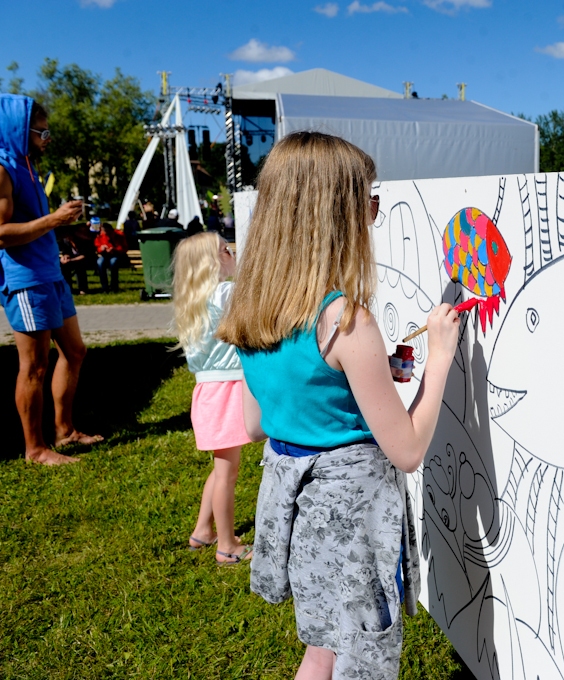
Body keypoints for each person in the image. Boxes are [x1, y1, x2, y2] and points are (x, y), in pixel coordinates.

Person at [217, 132, 461, 679]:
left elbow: (257, 424)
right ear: (338, 211)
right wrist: (441, 355)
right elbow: (407, 450)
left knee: (323, 644)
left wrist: (362, 380)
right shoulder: (345, 320)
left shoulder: (255, 310)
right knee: (361, 657)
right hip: (350, 519)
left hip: (295, 506)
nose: (375, 212)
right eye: (369, 199)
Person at [0, 94, 103, 465]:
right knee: (34, 365)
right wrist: (54, 220)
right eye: (41, 131)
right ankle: (35, 449)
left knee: (75, 351)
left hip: (49, 273)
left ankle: (64, 432)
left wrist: (61, 226)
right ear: (19, 130)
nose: (47, 138)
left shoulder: (27, 166)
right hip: (25, 279)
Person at [172, 232, 252, 564]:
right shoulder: (225, 293)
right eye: (226, 250)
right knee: (227, 473)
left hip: (208, 393)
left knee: (222, 467)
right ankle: (227, 546)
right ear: (212, 261)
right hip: (227, 392)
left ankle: (203, 531)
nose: (232, 253)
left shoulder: (195, 299)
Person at [94, 222, 128, 293]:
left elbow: (124, 248)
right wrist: (102, 248)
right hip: (105, 255)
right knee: (100, 262)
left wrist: (114, 249)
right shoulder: (100, 236)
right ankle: (104, 286)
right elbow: (97, 248)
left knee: (113, 262)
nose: (105, 233)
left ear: (111, 230)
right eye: (104, 231)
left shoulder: (119, 235)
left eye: (106, 231)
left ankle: (114, 286)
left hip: (117, 255)